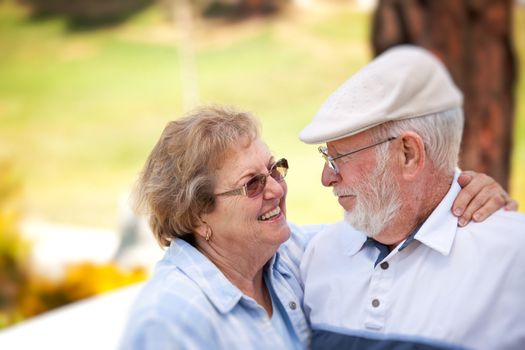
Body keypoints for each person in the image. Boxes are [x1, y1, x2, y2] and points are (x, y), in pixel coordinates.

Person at [298, 45, 524, 349]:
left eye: (338, 158)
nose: (327, 178)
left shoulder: (513, 256)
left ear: (408, 154)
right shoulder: (314, 254)